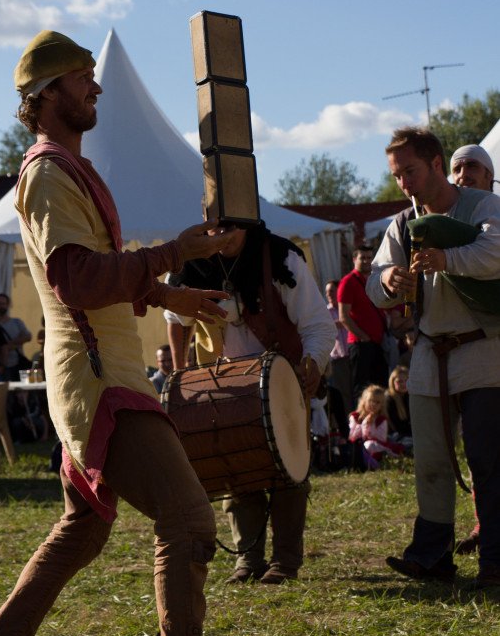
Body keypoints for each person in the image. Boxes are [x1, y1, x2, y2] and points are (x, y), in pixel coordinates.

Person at [0, 29, 273, 636]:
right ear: (44, 98)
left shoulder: (64, 170)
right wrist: (170, 256)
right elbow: (75, 279)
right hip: (99, 379)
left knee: (81, 531)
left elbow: (91, 273)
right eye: (80, 77)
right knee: (188, 518)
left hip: (97, 373)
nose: (94, 87)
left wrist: (168, 295)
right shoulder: (46, 174)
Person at [165, 222, 335, 585]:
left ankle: (286, 561)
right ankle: (248, 559)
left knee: (289, 469)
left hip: (284, 378)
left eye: (227, 227)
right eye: (214, 226)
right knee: (234, 467)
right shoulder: (192, 259)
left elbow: (318, 323)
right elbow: (173, 315)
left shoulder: (279, 256)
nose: (218, 234)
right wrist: (182, 374)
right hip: (221, 382)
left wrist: (313, 363)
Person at [367, 126, 500, 589]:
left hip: (483, 350)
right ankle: (433, 556)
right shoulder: (402, 223)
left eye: (411, 170)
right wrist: (388, 284)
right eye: (397, 174)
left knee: (488, 459)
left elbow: (496, 251)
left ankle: (496, 561)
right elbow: (375, 275)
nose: (403, 182)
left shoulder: (483, 205)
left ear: (438, 164)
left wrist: (447, 259)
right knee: (431, 462)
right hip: (429, 354)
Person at [449, 144, 494, 555]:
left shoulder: (495, 221)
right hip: (471, 356)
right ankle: (486, 525)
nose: (464, 174)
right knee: (479, 448)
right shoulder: (446, 226)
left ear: (490, 177)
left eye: (473, 167)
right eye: (457, 168)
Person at [338, 245, 389, 401]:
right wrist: (362, 336)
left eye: (369, 258)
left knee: (381, 386)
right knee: (361, 389)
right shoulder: (348, 282)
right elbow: (343, 316)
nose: (367, 261)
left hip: (377, 343)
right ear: (355, 260)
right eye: (363, 258)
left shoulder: (374, 279)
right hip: (361, 344)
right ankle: (359, 424)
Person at [348, 384, 403, 470]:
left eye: (377, 402)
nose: (373, 404)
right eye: (371, 401)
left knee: (370, 445)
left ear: (381, 405)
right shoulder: (355, 417)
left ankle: (375, 463)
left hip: (374, 447)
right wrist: (364, 423)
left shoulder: (381, 420)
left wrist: (370, 424)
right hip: (358, 448)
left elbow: (381, 439)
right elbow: (352, 436)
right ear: (364, 401)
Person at [325, 279, 353, 416]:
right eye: (327, 292)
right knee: (344, 392)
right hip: (338, 359)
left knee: (356, 388)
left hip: (352, 353)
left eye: (331, 291)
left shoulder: (348, 307)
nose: (328, 294)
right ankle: (349, 422)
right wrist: (341, 322)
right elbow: (324, 328)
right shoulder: (325, 313)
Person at [0, 293, 33, 381]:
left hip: (18, 364)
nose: (1, 306)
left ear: (7, 305)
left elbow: (28, 336)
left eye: (3, 303)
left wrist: (11, 344)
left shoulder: (17, 322)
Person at [385, 365, 412, 450]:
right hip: (394, 435)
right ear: (392, 382)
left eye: (406, 380)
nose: (404, 384)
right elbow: (396, 427)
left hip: (407, 434)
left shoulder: (409, 396)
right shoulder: (389, 399)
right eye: (400, 381)